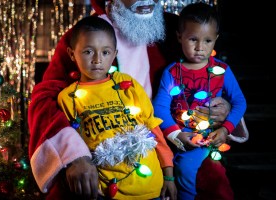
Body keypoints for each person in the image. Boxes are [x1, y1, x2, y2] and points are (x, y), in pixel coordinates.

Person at [28, 0, 248, 199]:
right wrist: (76, 155)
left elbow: (210, 74)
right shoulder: (86, 35)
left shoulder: (178, 28)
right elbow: (45, 98)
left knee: (214, 185)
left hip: (176, 138)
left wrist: (224, 106)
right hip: (101, 143)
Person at [56, 16, 177, 199]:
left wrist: (169, 175)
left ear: (114, 54)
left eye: (105, 52)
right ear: (72, 54)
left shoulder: (127, 84)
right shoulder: (68, 97)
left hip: (151, 185)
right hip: (107, 191)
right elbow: (72, 143)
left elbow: (153, 129)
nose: (97, 60)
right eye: (88, 52)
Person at [152, 3, 247, 200]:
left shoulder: (221, 70)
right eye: (193, 39)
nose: (199, 48)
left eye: (207, 40)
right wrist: (176, 134)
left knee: (185, 169)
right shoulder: (172, 72)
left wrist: (225, 129)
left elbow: (239, 102)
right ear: (180, 37)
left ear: (216, 40)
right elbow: (159, 107)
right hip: (179, 132)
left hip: (208, 135)